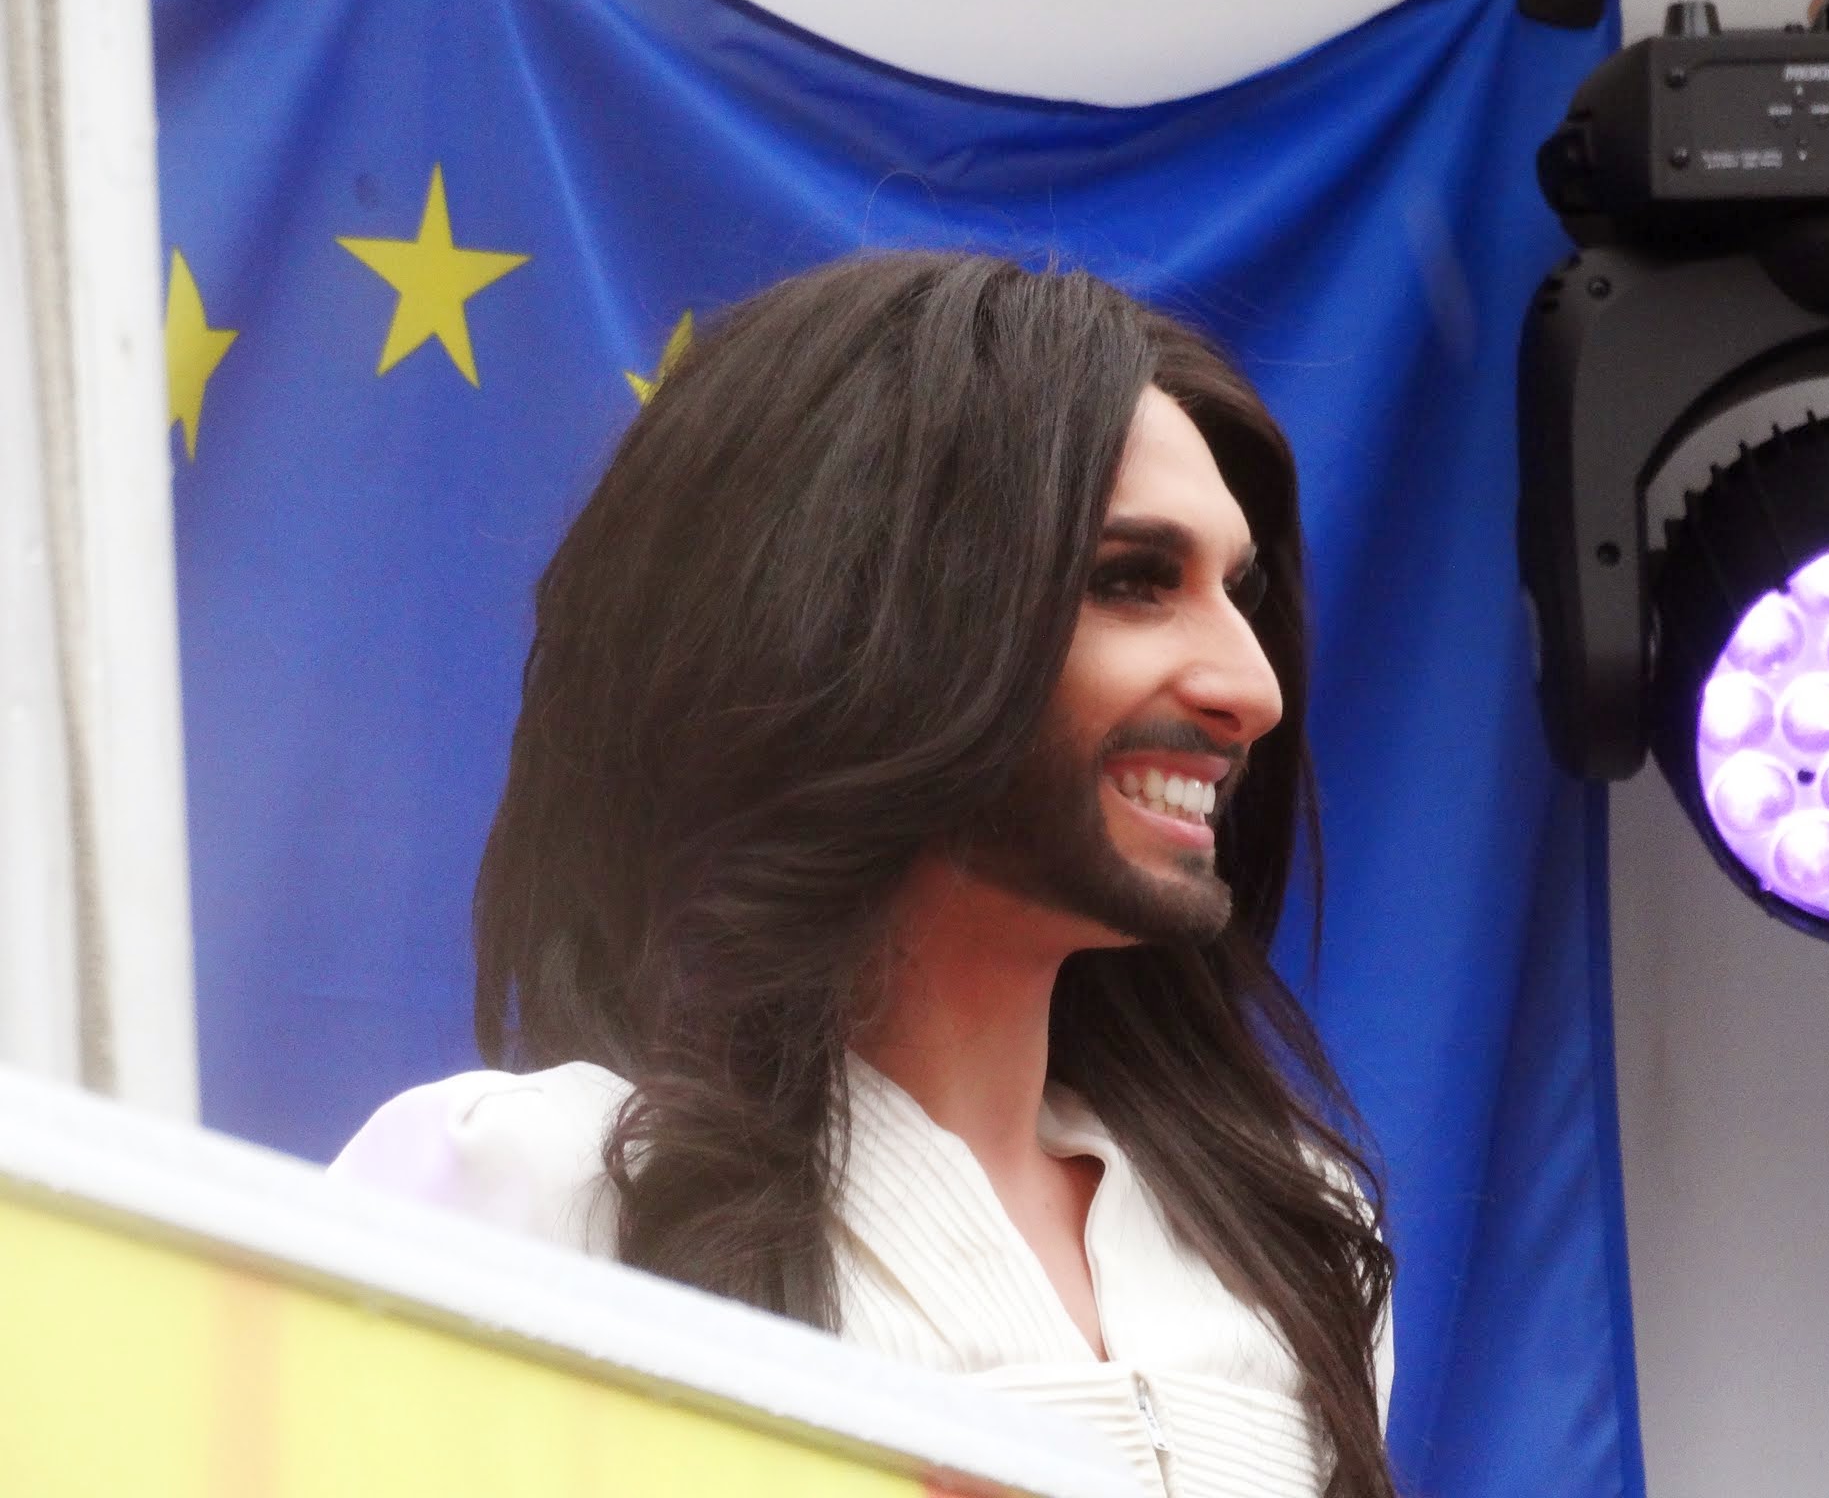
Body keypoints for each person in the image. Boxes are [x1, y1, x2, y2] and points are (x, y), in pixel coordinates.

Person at [332, 251, 1396, 1498]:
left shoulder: (1291, 1236)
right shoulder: (534, 1191)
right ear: (860, 622)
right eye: (1129, 582)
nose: (1251, 690)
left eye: (1237, 592)